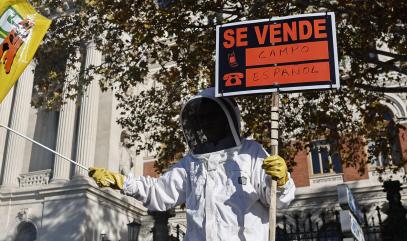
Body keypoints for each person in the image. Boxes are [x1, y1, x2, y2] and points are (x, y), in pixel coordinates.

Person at [89, 87, 295, 241]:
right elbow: (160, 192)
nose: (206, 123)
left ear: (226, 118)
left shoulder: (251, 153)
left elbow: (277, 200)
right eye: (202, 119)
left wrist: (282, 180)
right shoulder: (192, 163)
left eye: (211, 117)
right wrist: (122, 183)